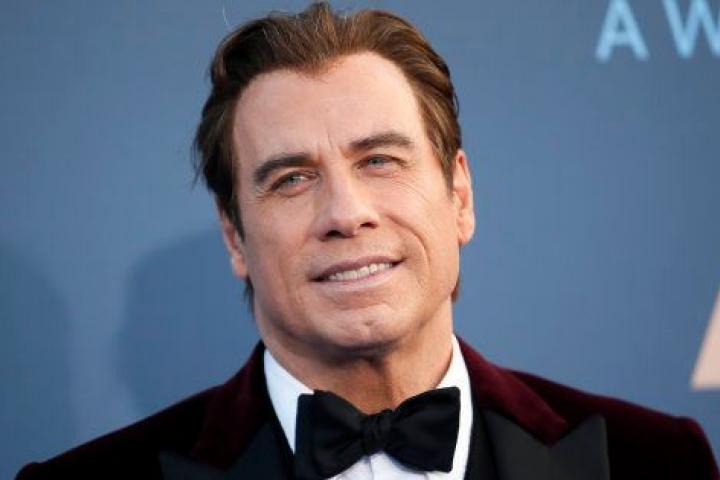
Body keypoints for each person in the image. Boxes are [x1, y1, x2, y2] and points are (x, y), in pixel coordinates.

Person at [17, 3, 719, 479]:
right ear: (234, 237)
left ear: (460, 196)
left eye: (380, 160)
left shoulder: (656, 461)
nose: (346, 214)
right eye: (292, 178)